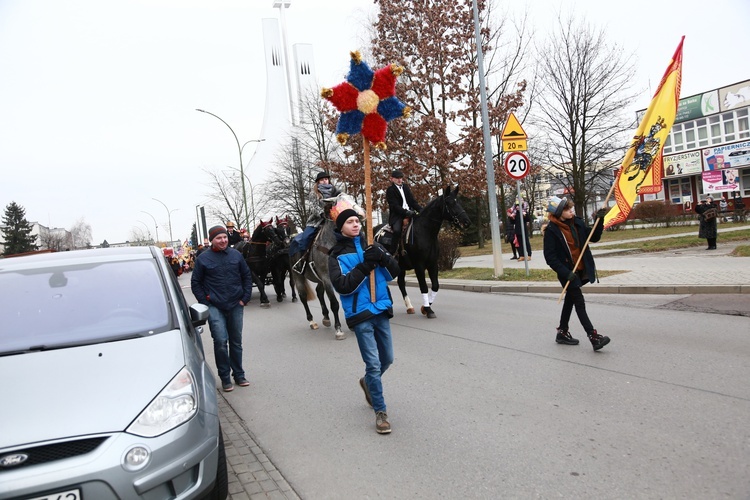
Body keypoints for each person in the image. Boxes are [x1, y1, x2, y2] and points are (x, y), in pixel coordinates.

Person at [328, 208, 400, 434]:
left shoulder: (373, 246)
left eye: (357, 221)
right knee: (373, 364)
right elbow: (343, 285)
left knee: (387, 359)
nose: (355, 225)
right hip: (360, 316)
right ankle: (381, 412)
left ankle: (368, 382)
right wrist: (365, 266)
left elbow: (394, 272)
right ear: (341, 227)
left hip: (381, 309)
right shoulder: (336, 255)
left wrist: (383, 257)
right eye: (350, 222)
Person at [543, 196, 610, 351]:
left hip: (580, 269)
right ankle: (593, 337)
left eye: (570, 208)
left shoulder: (577, 223)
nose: (571, 211)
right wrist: (566, 273)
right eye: (567, 209)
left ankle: (562, 332)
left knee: (570, 300)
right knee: (578, 301)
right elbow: (550, 258)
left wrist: (599, 221)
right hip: (567, 273)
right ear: (559, 213)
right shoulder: (552, 231)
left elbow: (594, 237)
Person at [191, 225, 254, 392]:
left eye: (225, 237)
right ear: (212, 240)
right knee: (220, 341)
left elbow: (247, 276)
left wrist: (245, 298)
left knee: (236, 341)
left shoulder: (236, 255)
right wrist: (206, 301)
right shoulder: (203, 259)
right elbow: (196, 283)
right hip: (215, 306)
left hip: (236, 304)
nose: (223, 240)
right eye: (219, 238)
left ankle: (239, 375)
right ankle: (225, 378)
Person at [290, 171, 340, 271]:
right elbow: (313, 207)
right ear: (318, 182)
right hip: (316, 221)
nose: (324, 181)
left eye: (326, 179)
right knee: (305, 237)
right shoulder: (314, 193)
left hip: (334, 220)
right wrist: (322, 213)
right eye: (322, 180)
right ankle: (302, 260)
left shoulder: (336, 192)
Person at [385, 169, 423, 254]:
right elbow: (394, 206)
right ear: (392, 179)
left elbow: (412, 201)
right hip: (398, 215)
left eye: (401, 178)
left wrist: (421, 210)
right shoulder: (390, 190)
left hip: (411, 213)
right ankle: (393, 252)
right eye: (397, 178)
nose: (399, 180)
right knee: (397, 231)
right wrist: (405, 212)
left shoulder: (406, 187)